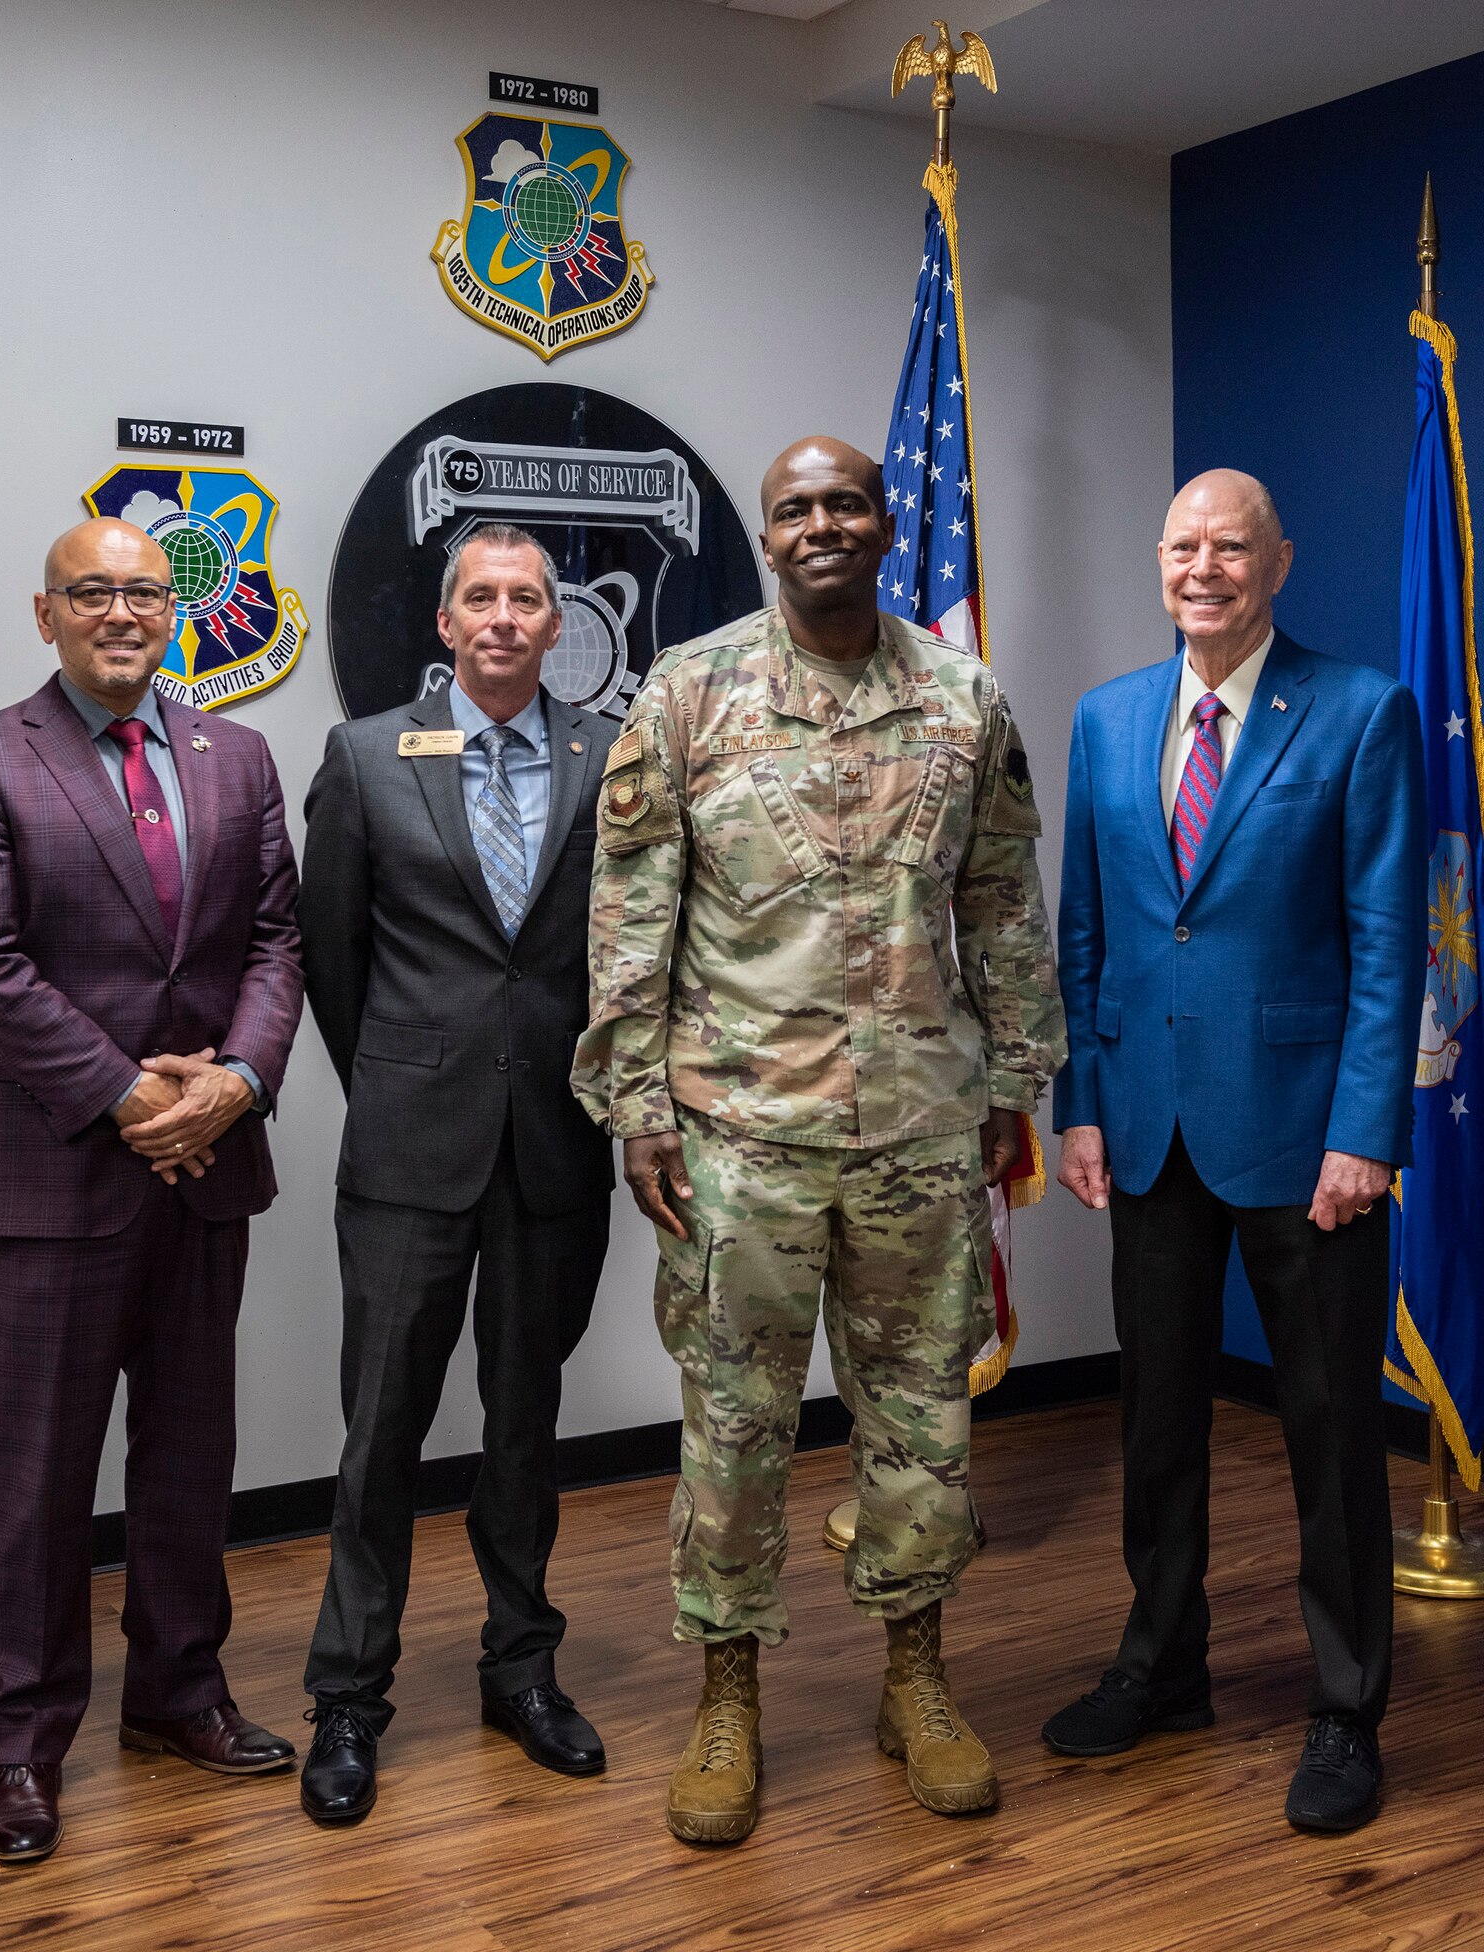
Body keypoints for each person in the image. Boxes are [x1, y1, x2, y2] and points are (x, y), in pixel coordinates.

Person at [573, 437, 1065, 1845]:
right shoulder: (690, 693)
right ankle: (727, 1698)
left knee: (922, 1425)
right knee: (735, 1428)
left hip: (921, 1127)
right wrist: (638, 1106)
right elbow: (629, 915)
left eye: (846, 501)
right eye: (795, 507)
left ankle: (916, 1676)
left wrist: (1016, 1076)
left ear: (883, 522)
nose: (822, 524)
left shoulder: (964, 697)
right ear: (769, 536)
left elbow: (1003, 899)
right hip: (743, 1137)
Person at [0, 518, 305, 1865]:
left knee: (191, 1462)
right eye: (94, 593)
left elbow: (274, 939)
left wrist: (235, 1084)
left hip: (207, 1167)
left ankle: (179, 1696)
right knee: (37, 1482)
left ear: (170, 610)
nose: (122, 612)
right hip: (54, 1171)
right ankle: (23, 1744)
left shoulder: (236, 756)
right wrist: (137, 1096)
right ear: (47, 614)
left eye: (143, 592)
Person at [1043, 469, 1426, 1835]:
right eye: (1183, 545)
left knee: (1327, 1434)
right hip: (1145, 1128)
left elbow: (1392, 941)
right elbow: (1081, 930)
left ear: (1278, 561)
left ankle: (1344, 1705)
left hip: (1308, 1141)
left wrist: (1365, 1132)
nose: (1203, 566)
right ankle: (1164, 1666)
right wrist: (1078, 1102)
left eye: (1231, 546)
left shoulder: (1361, 709)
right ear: (1161, 563)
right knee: (1156, 1422)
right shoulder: (1106, 720)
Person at [296, 523, 618, 1824]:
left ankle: (521, 1668)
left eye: (525, 599)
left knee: (527, 1429)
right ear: (445, 623)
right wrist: (404, 1075)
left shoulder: (615, 755)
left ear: (559, 625)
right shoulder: (365, 755)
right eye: (478, 597)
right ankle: (348, 1700)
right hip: (409, 1149)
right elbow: (332, 957)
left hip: (555, 1144)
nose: (501, 617)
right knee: (380, 1437)